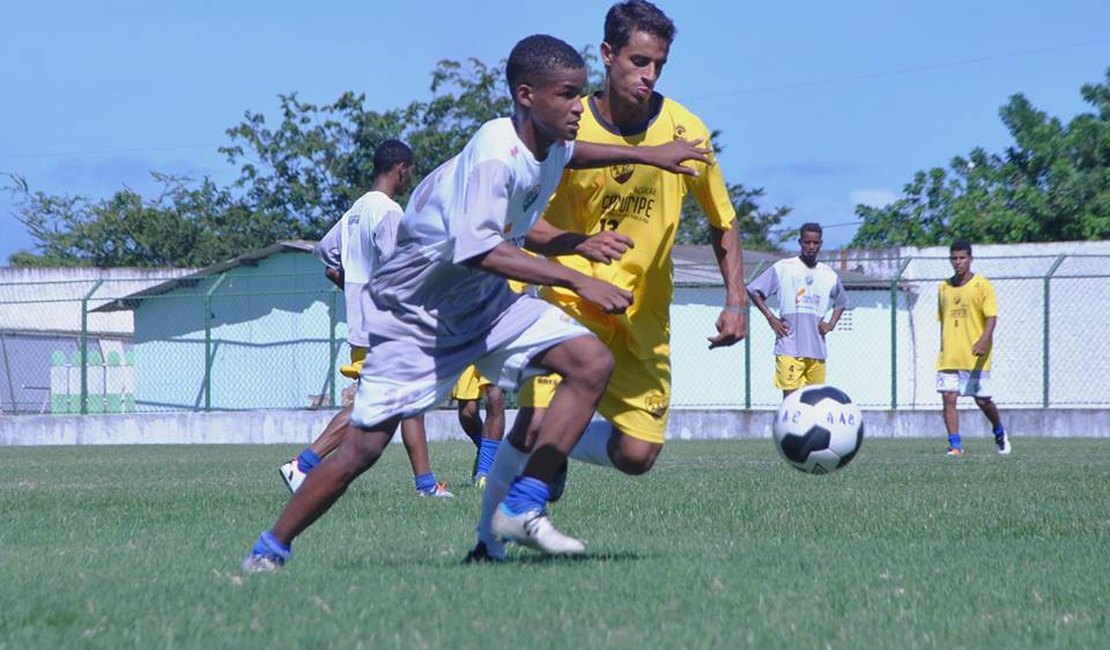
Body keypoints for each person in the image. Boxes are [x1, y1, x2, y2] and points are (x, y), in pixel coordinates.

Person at [241, 33, 711, 571]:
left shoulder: (553, 144)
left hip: (486, 303)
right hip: (418, 319)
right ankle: (270, 547)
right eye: (567, 94)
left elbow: (569, 164)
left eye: (582, 93)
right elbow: (477, 247)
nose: (580, 106)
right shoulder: (494, 154)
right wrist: (577, 277)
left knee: (589, 361)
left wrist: (648, 159)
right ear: (526, 95)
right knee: (362, 452)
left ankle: (523, 506)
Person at [468, 0, 747, 563]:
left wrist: (735, 300)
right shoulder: (567, 126)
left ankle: (560, 450)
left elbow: (725, 222)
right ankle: (488, 541)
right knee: (537, 421)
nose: (648, 75)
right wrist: (576, 247)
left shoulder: (686, 131)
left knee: (638, 455)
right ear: (607, 55)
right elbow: (520, 226)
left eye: (659, 65)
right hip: (570, 298)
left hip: (644, 314)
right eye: (638, 61)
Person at [279, 140, 453, 498]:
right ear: (401, 169)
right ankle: (303, 465)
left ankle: (425, 485)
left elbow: (326, 256)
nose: (411, 179)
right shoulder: (388, 212)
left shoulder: (356, 210)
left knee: (409, 405)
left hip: (364, 325)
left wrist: (352, 286)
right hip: (388, 326)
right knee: (369, 406)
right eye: (411, 172)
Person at [746, 222, 848, 397]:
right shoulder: (784, 267)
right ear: (800, 242)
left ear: (820, 244)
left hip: (816, 349)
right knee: (792, 400)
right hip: (789, 346)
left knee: (816, 401)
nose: (811, 247)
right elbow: (753, 290)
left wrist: (831, 324)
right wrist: (771, 318)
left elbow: (842, 302)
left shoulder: (828, 274)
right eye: (807, 242)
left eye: (815, 243)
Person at [936, 241, 1010, 456]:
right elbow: (944, 320)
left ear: (970, 259)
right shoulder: (943, 288)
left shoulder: (982, 285)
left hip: (976, 354)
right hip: (949, 355)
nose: (958, 262)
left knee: (982, 400)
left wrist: (984, 340)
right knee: (949, 398)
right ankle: (955, 445)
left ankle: (999, 431)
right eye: (954, 258)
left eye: (962, 258)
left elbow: (991, 317)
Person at [451, 364, 506, 488]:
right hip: (467, 348)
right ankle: (491, 454)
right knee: (467, 413)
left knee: (495, 397)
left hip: (496, 347)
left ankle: (485, 472)